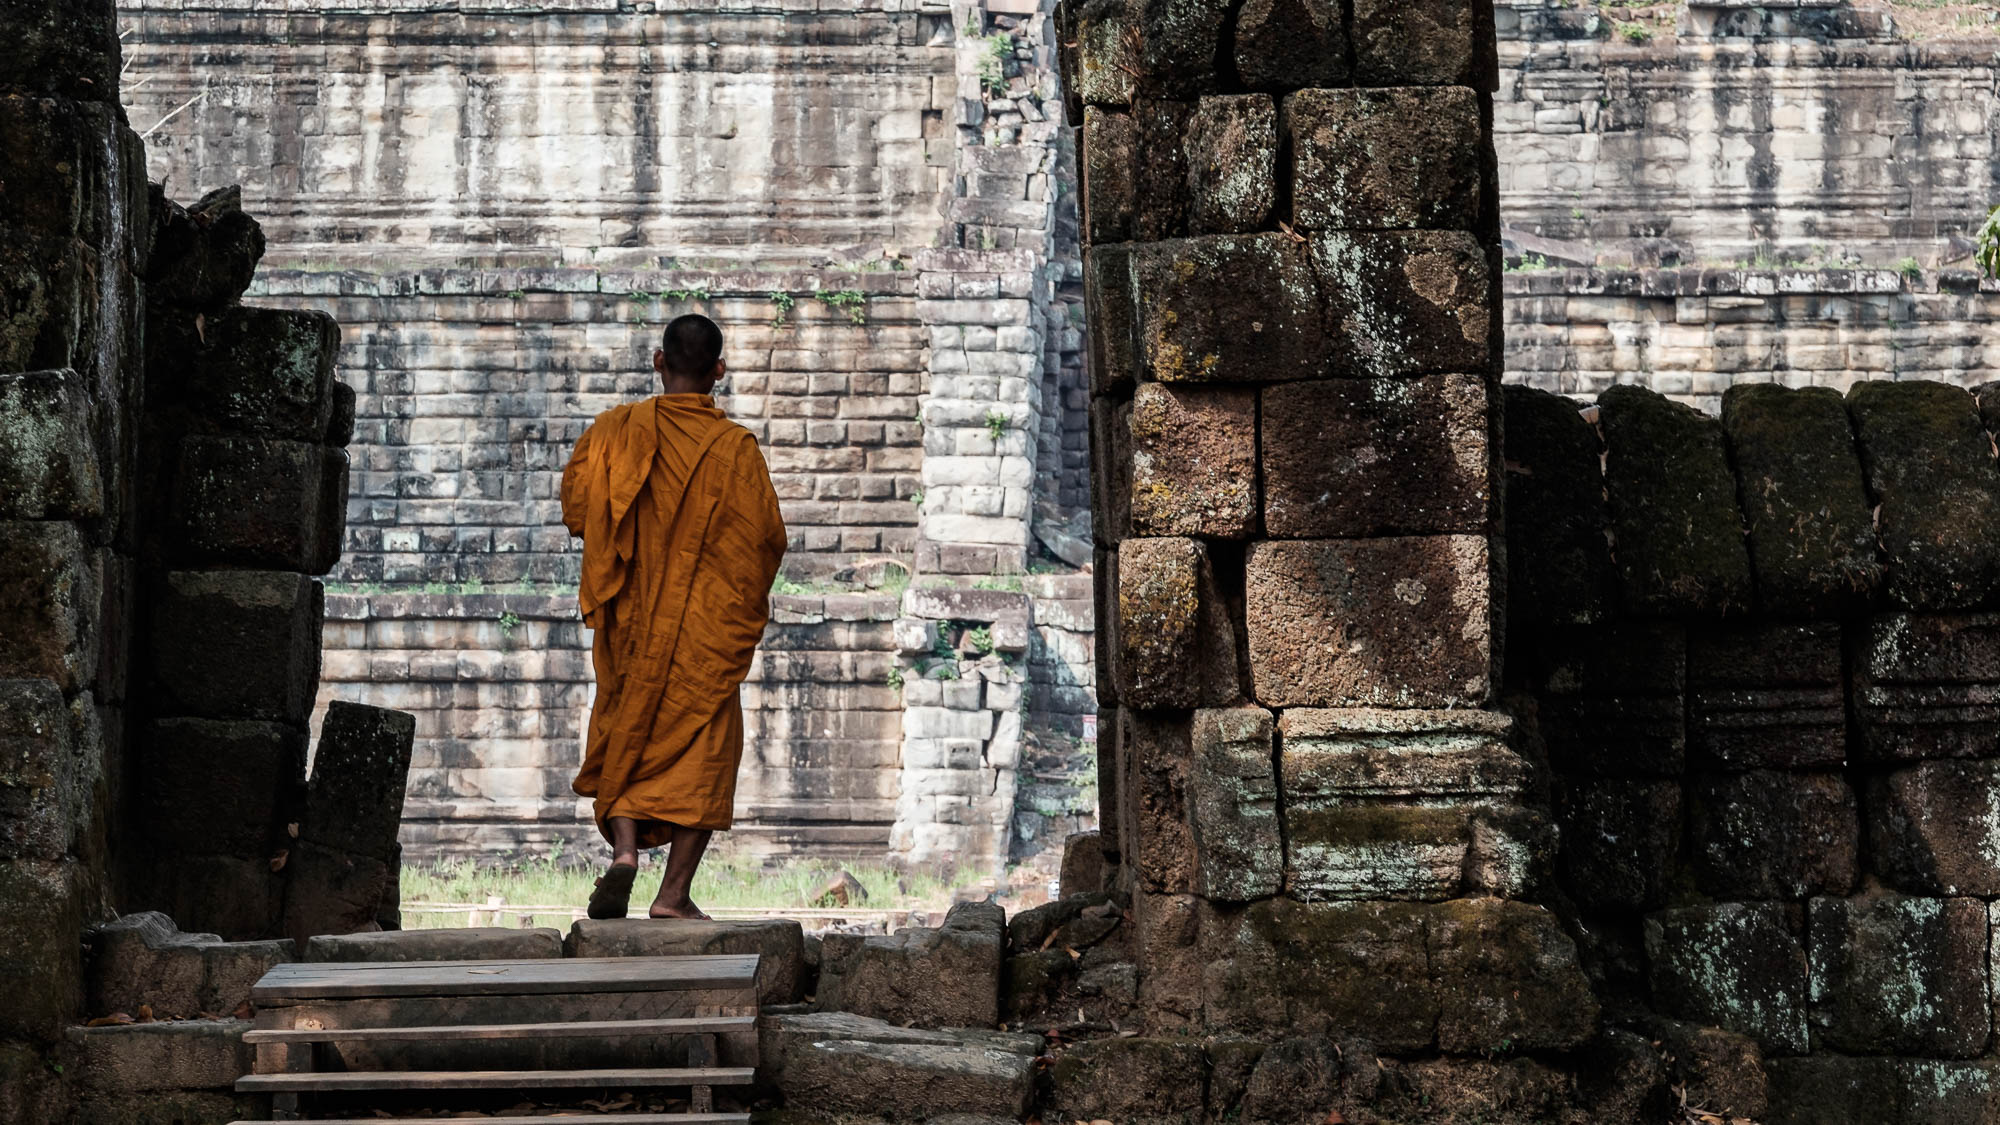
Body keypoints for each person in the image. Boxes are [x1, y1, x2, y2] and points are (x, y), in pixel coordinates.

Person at [561, 313, 788, 920]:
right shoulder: (735, 449)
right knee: (707, 745)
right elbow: (764, 540)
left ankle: (627, 854)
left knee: (626, 724)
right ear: (719, 371)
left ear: (659, 363)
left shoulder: (613, 432)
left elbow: (579, 510)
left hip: (632, 625)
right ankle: (673, 894)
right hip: (702, 632)